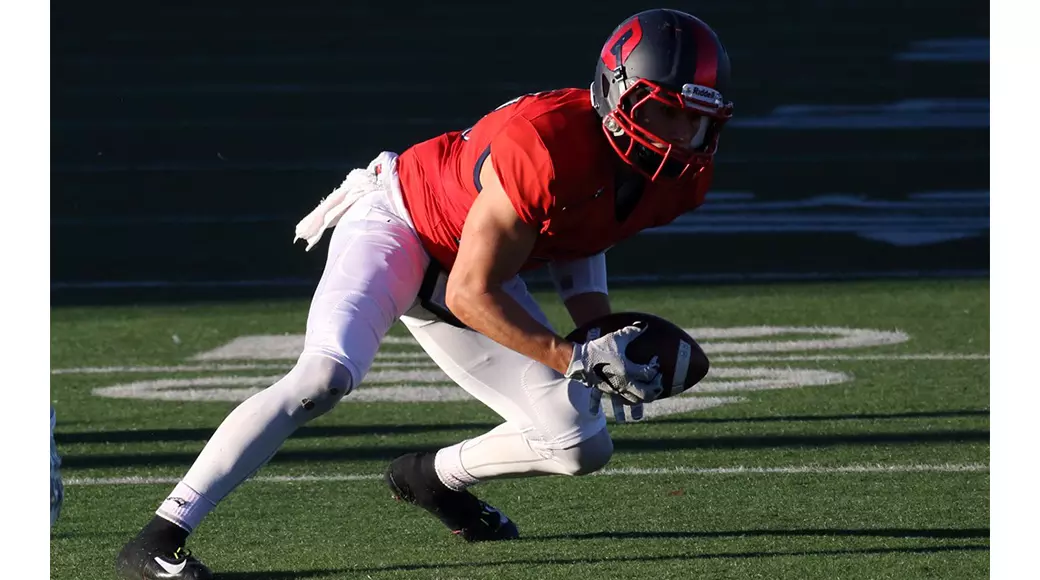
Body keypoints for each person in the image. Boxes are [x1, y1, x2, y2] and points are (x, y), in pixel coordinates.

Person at [116, 8, 733, 579]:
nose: (682, 135)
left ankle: (431, 478)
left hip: (470, 264)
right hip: (401, 221)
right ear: (616, 95)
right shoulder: (545, 143)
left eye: (697, 119)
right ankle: (160, 536)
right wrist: (574, 355)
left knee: (580, 443)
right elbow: (470, 293)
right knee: (323, 377)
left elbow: (582, 230)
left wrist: (600, 331)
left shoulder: (679, 180)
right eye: (666, 113)